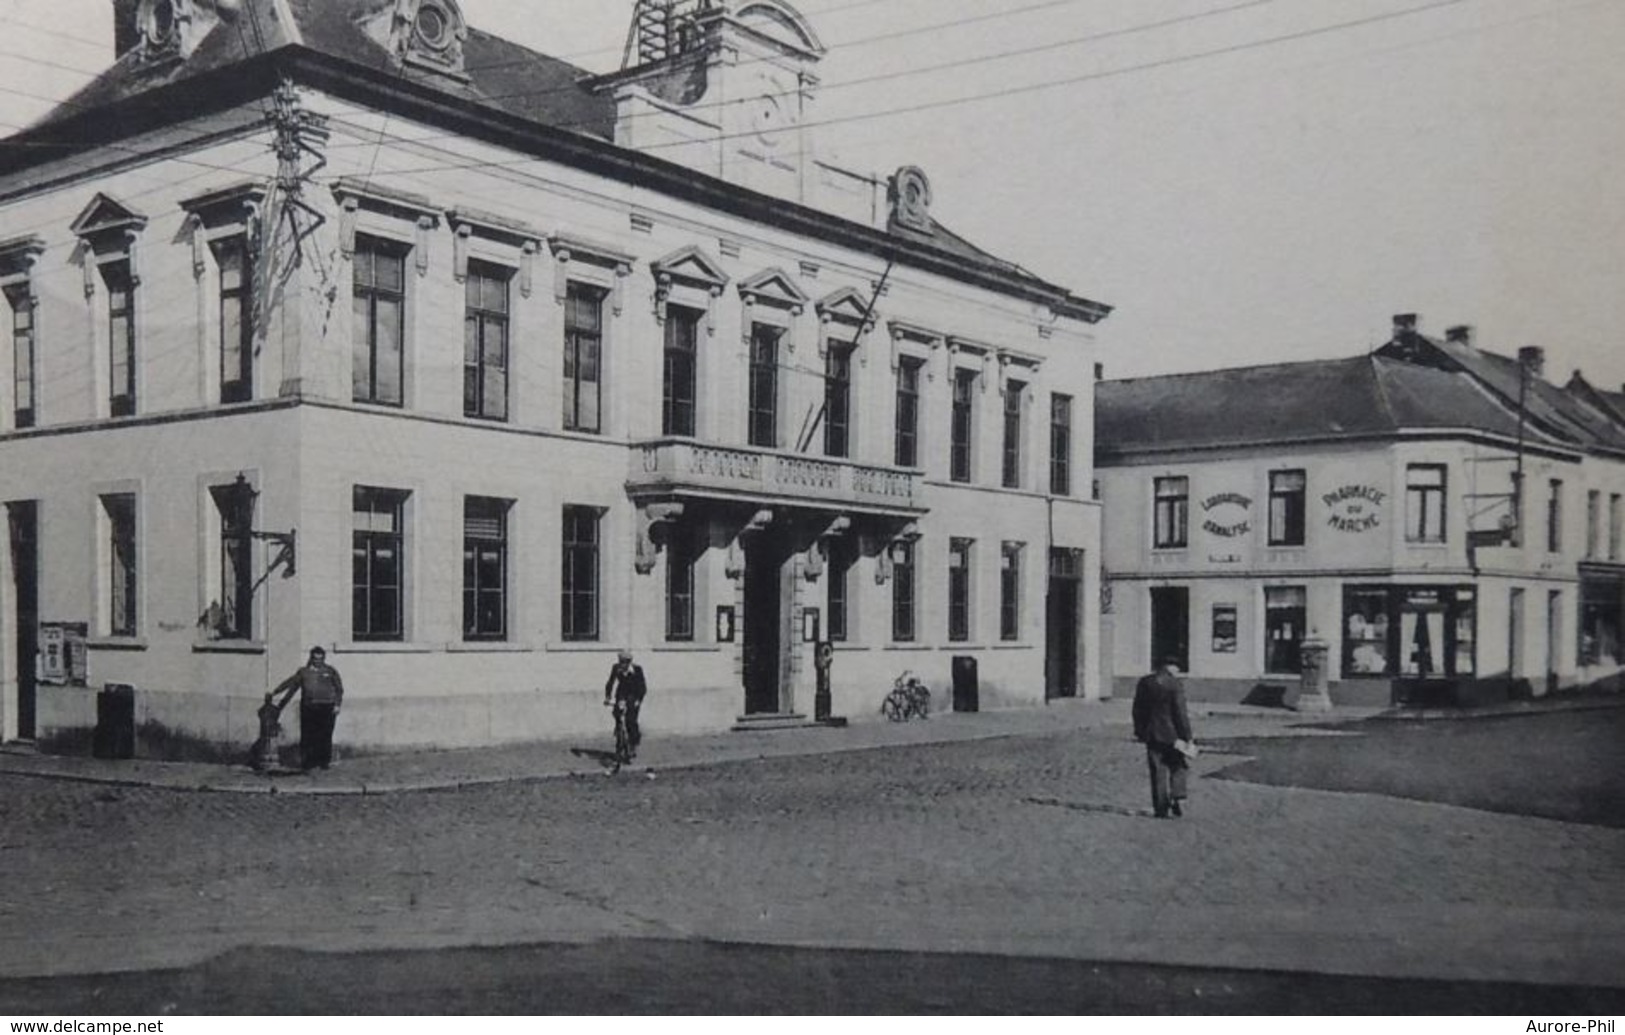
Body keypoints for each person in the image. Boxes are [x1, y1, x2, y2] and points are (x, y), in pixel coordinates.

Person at [1132, 656, 1194, 818]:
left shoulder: (1145, 682)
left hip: (1152, 733)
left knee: (1157, 770)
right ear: (1171, 667)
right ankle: (1178, 797)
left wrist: (1140, 731)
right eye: (1177, 668)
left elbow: (1137, 709)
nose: (1178, 672)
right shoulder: (1175, 684)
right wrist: (1187, 736)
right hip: (1173, 736)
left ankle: (1160, 808)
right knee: (1178, 766)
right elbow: (1180, 713)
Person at [270, 646, 345, 771]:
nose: (318, 661)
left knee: (325, 735)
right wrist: (275, 692)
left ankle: (323, 762)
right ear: (311, 658)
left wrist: (337, 705)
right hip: (309, 707)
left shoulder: (330, 671)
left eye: (320, 659)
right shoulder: (304, 672)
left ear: (324, 659)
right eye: (315, 659)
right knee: (308, 735)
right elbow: (290, 683)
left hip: (327, 707)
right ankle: (307, 762)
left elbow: (339, 689)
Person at [603, 649, 648, 760]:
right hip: (621, 695)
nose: (622, 665)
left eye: (625, 662)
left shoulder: (637, 670)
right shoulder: (616, 668)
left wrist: (639, 700)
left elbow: (643, 687)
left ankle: (633, 744)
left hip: (634, 695)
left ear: (629, 662)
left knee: (631, 721)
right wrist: (608, 697)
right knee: (618, 719)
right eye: (621, 661)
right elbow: (610, 683)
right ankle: (619, 746)